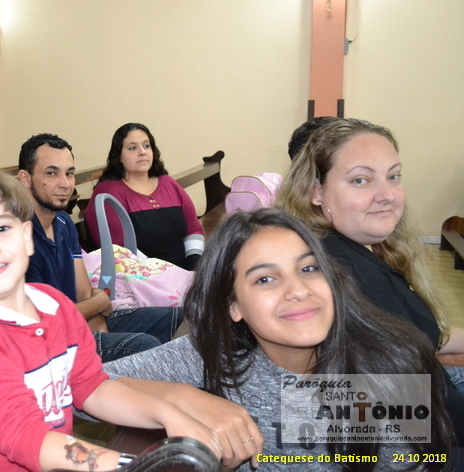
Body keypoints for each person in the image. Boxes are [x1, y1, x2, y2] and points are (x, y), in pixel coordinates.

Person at [0, 166, 223, 471]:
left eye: (1, 228)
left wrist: (167, 414)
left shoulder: (55, 305)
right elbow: (27, 438)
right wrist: (127, 465)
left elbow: (91, 387)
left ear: (27, 237)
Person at [104, 208, 457, 471]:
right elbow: (83, 385)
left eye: (308, 268)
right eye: (265, 279)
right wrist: (184, 399)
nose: (298, 290)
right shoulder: (218, 354)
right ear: (233, 306)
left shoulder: (387, 365)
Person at [275, 118, 464, 405]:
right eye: (360, 180)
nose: (387, 195)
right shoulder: (351, 276)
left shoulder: (351, 249)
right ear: (316, 191)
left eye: (393, 176)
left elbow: (419, 334)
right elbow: (407, 410)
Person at [18, 133, 183, 362]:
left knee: (179, 318)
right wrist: (99, 303)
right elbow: (45, 322)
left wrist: (96, 313)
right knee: (145, 345)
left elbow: (84, 293)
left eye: (69, 173)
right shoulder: (17, 237)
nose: (65, 184)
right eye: (51, 173)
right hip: (51, 345)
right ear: (25, 179)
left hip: (79, 321)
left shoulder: (64, 223)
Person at [84, 123, 205, 270]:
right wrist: (164, 274)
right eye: (132, 148)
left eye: (146, 146)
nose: (142, 152)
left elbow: (193, 229)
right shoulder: (109, 192)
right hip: (139, 276)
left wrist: (194, 266)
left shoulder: (168, 183)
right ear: (118, 156)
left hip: (184, 272)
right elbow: (120, 250)